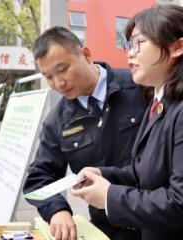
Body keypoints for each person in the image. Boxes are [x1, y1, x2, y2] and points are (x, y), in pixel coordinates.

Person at [22, 26, 148, 240]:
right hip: (107, 230)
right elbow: (39, 176)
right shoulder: (57, 121)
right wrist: (56, 210)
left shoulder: (140, 86)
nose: (58, 83)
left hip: (158, 221)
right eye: (49, 77)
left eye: (62, 69)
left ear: (86, 55)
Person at [71, 4, 183, 240]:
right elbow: (144, 172)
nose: (129, 53)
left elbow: (179, 203)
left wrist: (110, 196)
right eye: (127, 44)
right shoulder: (159, 101)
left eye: (138, 43)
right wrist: (103, 174)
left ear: (177, 47)